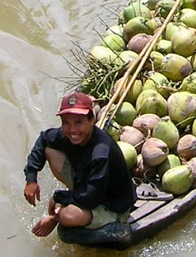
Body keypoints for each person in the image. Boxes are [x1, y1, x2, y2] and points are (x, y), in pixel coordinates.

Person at [24, 92, 136, 238]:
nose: (72, 130)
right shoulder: (68, 135)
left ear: (91, 120)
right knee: (49, 150)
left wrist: (58, 200)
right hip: (88, 186)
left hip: (110, 204)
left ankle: (57, 218)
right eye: (66, 123)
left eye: (78, 122)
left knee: (68, 216)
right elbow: (43, 139)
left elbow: (90, 198)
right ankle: (68, 203)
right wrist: (31, 179)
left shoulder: (100, 152)